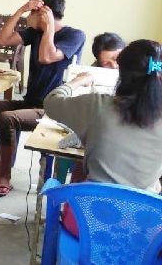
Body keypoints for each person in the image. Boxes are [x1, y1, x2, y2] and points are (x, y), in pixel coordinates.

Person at [0, 0, 85, 197]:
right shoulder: (35, 33)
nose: (28, 17)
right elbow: (2, 40)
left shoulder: (74, 35)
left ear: (44, 12)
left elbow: (47, 57)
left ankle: (4, 176)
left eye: (32, 11)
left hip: (54, 109)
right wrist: (22, 9)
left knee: (7, 119)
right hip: (30, 102)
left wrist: (49, 25)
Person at [45, 40, 162, 235]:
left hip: (87, 224)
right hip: (145, 231)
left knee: (79, 177)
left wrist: (78, 81)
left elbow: (51, 102)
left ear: (122, 73)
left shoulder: (98, 105)